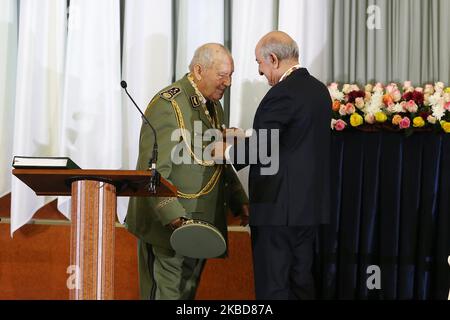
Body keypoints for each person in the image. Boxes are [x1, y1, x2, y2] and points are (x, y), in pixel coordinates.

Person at [125, 43, 249, 300]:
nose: (228, 82)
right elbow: (152, 169)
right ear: (199, 70)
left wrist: (240, 201)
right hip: (170, 227)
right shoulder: (168, 104)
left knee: (186, 295)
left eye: (231, 75)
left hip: (200, 223)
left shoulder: (214, 106)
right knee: (166, 296)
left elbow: (216, 160)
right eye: (222, 75)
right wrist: (173, 218)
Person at [215, 31, 331, 299]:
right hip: (308, 209)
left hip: (279, 210)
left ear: (273, 59)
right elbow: (293, 141)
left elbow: (263, 148)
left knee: (274, 286)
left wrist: (227, 151)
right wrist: (245, 136)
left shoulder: (282, 93)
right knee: (300, 282)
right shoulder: (318, 90)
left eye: (259, 63)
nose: (259, 71)